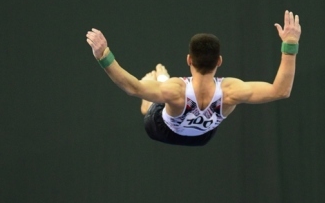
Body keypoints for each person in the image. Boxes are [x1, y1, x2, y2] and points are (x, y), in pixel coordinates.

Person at [86, 10, 301, 146]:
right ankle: (158, 82)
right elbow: (280, 91)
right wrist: (289, 46)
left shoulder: (175, 90)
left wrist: (104, 56)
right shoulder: (231, 91)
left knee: (152, 103)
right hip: (203, 137)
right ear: (219, 61)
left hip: (163, 130)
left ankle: (159, 79)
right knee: (158, 101)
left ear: (189, 60)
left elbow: (132, 87)